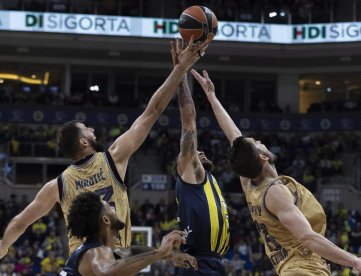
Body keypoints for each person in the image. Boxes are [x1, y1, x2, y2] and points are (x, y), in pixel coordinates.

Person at [0, 36, 209, 258]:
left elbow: (19, 224)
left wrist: (3, 245)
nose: (92, 130)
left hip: (81, 266)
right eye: (86, 130)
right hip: (114, 262)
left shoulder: (57, 186)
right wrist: (181, 68)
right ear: (83, 142)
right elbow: (153, 110)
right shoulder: (114, 158)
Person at [191, 69, 361, 276]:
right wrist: (356, 262)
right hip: (303, 269)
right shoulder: (274, 192)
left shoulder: (248, 182)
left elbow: (234, 137)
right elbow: (307, 237)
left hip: (294, 267)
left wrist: (212, 96)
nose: (259, 141)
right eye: (257, 143)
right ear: (263, 157)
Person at [171, 42, 229, 276]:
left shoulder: (209, 179)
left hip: (214, 262)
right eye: (195, 151)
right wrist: (181, 70)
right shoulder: (189, 171)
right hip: (200, 263)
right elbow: (189, 119)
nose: (200, 152)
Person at [60, 192, 197, 275]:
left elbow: (130, 251)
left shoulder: (95, 250)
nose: (114, 207)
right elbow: (107, 272)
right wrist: (159, 252)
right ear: (106, 220)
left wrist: (170, 256)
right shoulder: (94, 252)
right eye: (110, 206)